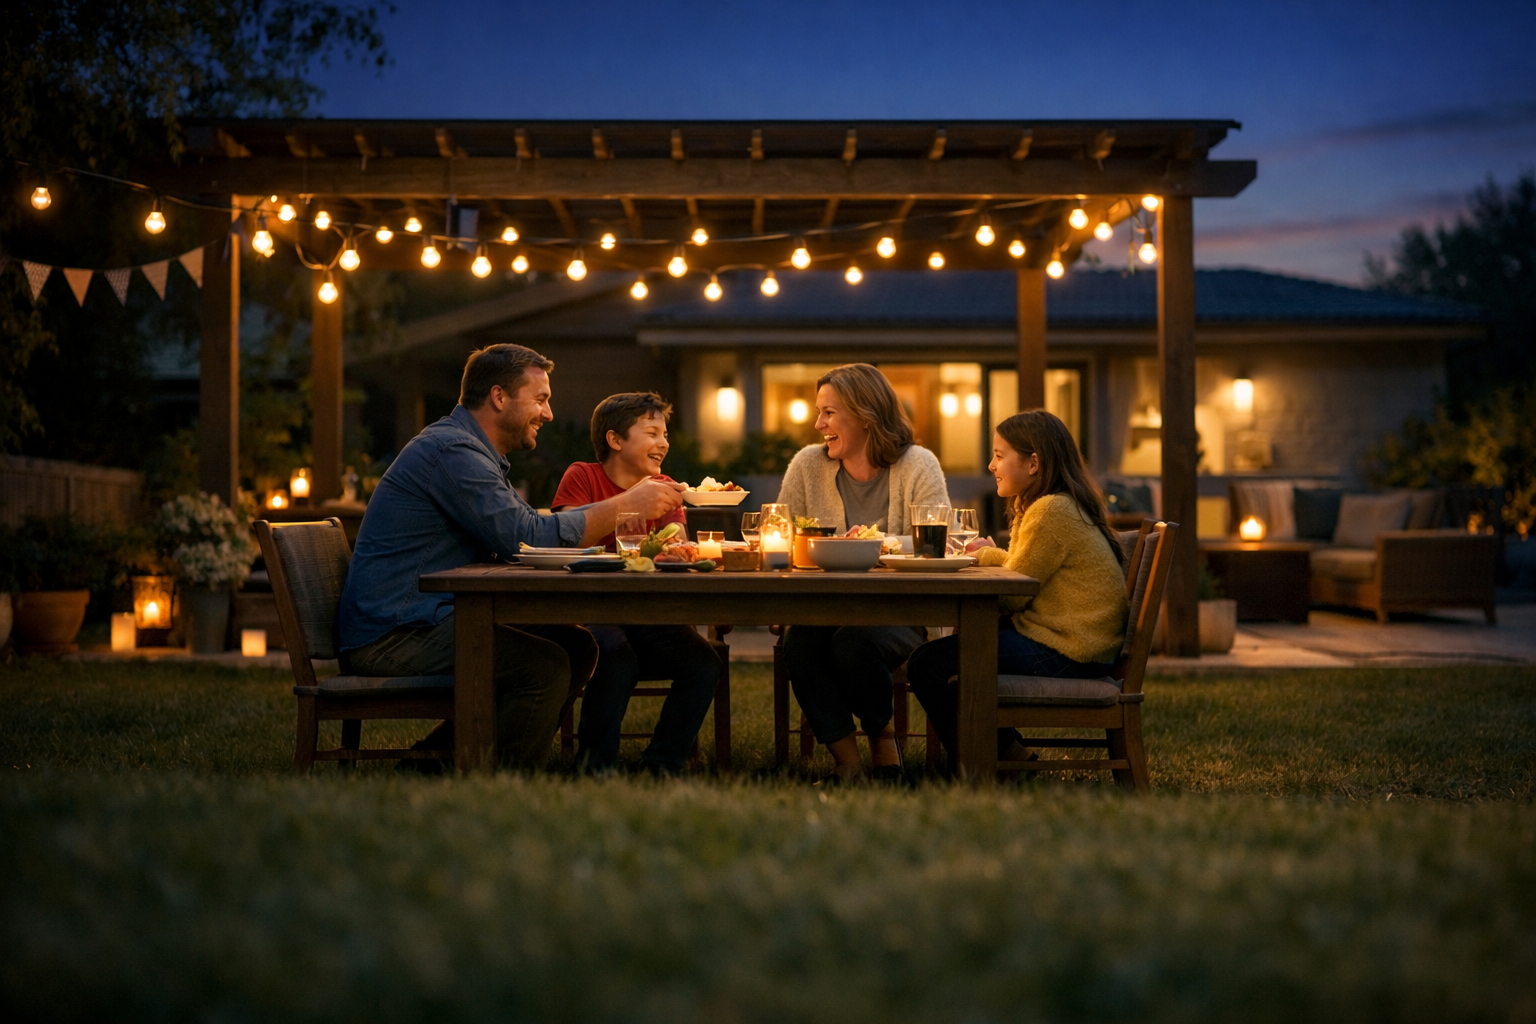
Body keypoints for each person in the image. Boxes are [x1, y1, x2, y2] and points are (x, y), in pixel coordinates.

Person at [337, 344, 684, 770]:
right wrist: (626, 505)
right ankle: (504, 781)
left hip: (429, 616)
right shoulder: (454, 453)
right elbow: (525, 538)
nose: (549, 414)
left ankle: (434, 762)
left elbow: (521, 528)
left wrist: (612, 508)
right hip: (395, 632)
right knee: (543, 667)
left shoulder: (474, 454)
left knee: (576, 645)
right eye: (540, 399)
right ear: (499, 397)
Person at [906, 409, 1129, 768]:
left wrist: (984, 555)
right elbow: (1023, 572)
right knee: (941, 656)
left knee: (928, 663)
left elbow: (1014, 593)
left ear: (1033, 463)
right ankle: (1006, 754)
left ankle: (991, 762)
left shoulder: (1051, 511)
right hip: (1075, 643)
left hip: (1070, 650)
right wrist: (992, 555)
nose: (991, 466)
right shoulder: (1053, 506)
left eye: (999, 455)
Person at [776, 363, 950, 781]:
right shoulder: (807, 465)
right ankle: (847, 762)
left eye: (829, 413)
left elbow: (939, 543)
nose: (819, 424)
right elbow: (781, 535)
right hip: (823, 608)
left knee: (852, 644)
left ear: (865, 416)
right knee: (799, 645)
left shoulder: (918, 464)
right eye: (819, 413)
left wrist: (877, 543)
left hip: (901, 611)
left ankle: (882, 741)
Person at [550, 392, 721, 775]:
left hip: (651, 613)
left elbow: (676, 545)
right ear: (615, 439)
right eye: (652, 433)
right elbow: (566, 537)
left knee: (704, 663)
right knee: (614, 655)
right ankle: (595, 767)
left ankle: (662, 764)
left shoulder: (665, 486)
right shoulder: (583, 476)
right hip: (593, 612)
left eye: (665, 434)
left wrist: (677, 551)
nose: (664, 442)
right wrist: (632, 502)